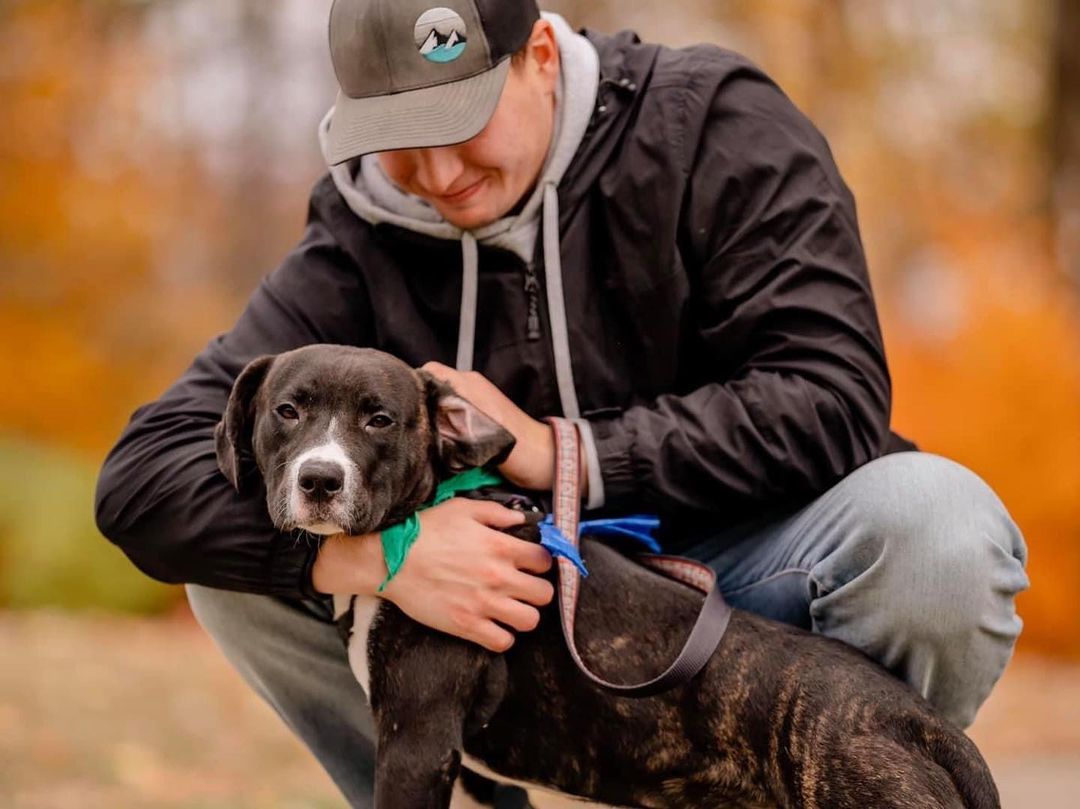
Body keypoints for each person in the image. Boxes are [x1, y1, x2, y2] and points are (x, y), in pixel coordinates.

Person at [94, 1, 1029, 806]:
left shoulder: (713, 128)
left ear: (539, 56)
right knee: (236, 560)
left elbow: (832, 397)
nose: (435, 172)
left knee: (942, 531)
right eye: (395, 144)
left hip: (753, 575)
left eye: (460, 122)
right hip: (501, 619)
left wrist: (553, 452)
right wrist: (380, 556)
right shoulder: (357, 235)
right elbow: (142, 477)